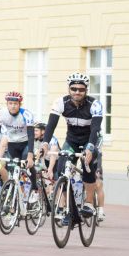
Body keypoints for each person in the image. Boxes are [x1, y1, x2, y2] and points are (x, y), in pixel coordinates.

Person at [43, 73, 105, 225]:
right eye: (74, 88)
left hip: (91, 139)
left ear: (86, 90)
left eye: (81, 89)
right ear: (69, 89)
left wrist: (90, 148)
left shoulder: (94, 104)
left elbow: (96, 129)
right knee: (61, 169)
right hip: (71, 140)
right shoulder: (61, 103)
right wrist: (45, 143)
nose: (77, 92)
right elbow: (51, 125)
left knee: (88, 168)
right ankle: (66, 208)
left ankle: (89, 203)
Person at [0, 91, 35, 212]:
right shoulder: (1, 114)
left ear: (19, 104)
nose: (13, 106)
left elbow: (31, 135)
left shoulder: (26, 114)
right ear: (7, 104)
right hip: (12, 144)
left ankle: (35, 189)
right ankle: (17, 200)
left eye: (15, 103)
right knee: (14, 173)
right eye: (10, 103)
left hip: (26, 143)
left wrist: (31, 156)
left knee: (28, 164)